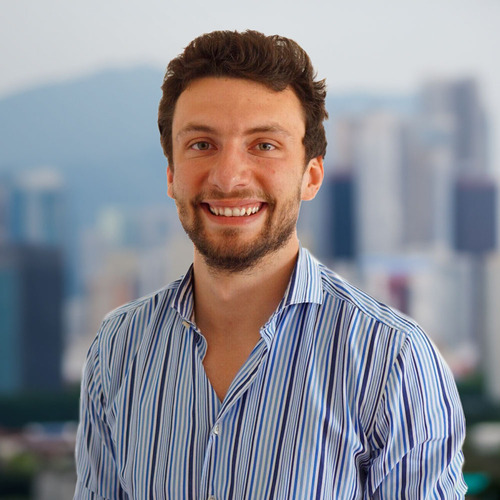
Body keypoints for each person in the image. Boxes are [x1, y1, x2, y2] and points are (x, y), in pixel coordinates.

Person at [74, 30, 467, 499]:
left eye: (264, 145)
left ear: (311, 176)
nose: (228, 177)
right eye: (201, 144)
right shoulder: (118, 349)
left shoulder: (391, 361)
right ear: (172, 175)